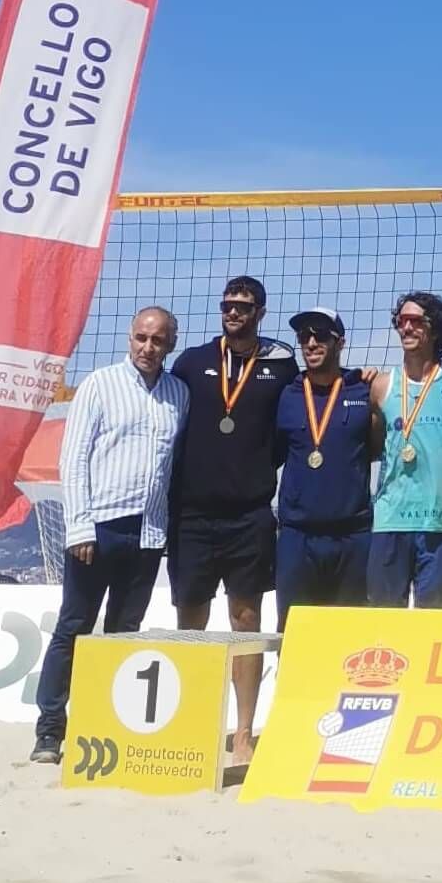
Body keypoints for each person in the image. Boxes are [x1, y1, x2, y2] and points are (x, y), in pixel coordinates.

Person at [32, 307, 188, 764]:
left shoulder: (179, 394)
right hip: (97, 528)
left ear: (170, 345)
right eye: (141, 337)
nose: (147, 347)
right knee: (74, 626)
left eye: (158, 340)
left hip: (148, 531)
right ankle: (49, 730)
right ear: (129, 337)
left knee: (124, 633)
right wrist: (79, 525)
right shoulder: (100, 384)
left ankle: (101, 721)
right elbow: (73, 459)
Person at [166, 275, 296, 761]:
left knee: (246, 622)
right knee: (191, 622)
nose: (233, 313)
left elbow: (282, 438)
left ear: (260, 312)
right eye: (227, 305)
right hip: (193, 514)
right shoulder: (193, 362)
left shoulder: (279, 366)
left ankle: (243, 732)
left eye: (243, 306)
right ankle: (192, 722)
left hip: (250, 514)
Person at [273, 307, 381, 628]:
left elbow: (377, 448)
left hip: (352, 535)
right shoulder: (287, 393)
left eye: (321, 335)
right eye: (304, 336)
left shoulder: (364, 389)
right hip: (297, 535)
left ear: (341, 343)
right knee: (294, 635)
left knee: (347, 638)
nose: (311, 342)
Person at [365, 292, 442, 609]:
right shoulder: (382, 385)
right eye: (401, 321)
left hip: (438, 520)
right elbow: (373, 446)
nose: (406, 328)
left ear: (434, 329)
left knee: (433, 625)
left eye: (416, 321)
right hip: (390, 519)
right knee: (384, 621)